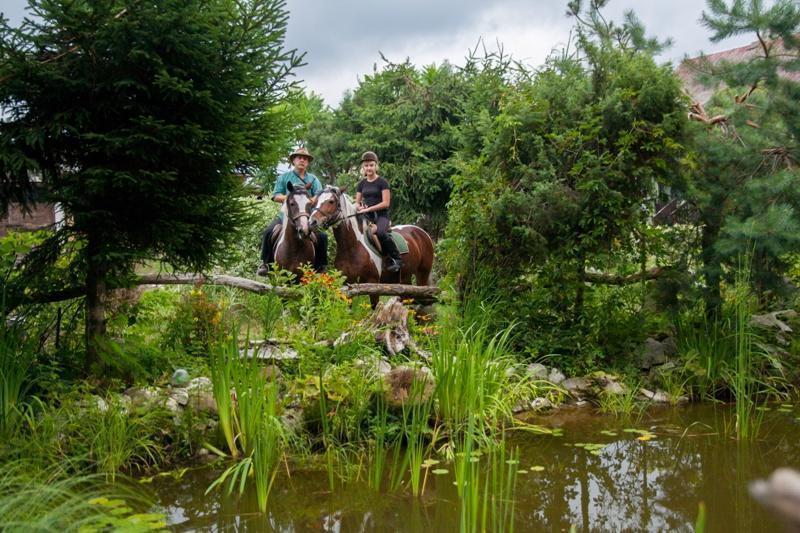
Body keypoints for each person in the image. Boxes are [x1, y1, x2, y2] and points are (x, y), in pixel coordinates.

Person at [257, 147, 328, 276]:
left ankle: (321, 266)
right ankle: (265, 264)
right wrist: (292, 198)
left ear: (308, 162)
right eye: (299, 157)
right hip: (286, 215)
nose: (302, 160)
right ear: (293, 160)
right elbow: (276, 195)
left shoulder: (314, 179)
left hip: (306, 215)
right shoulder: (284, 177)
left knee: (322, 237)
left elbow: (318, 196)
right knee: (268, 232)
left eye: (305, 158)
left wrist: (306, 200)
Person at [355, 151, 402, 273]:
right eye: (366, 165)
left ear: (376, 166)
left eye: (371, 165)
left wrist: (369, 208)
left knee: (380, 232)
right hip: (367, 216)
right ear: (363, 167)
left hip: (382, 216)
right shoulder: (361, 184)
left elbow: (386, 203)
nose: (369, 168)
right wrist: (359, 207)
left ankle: (396, 258)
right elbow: (356, 202)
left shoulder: (382, 182)